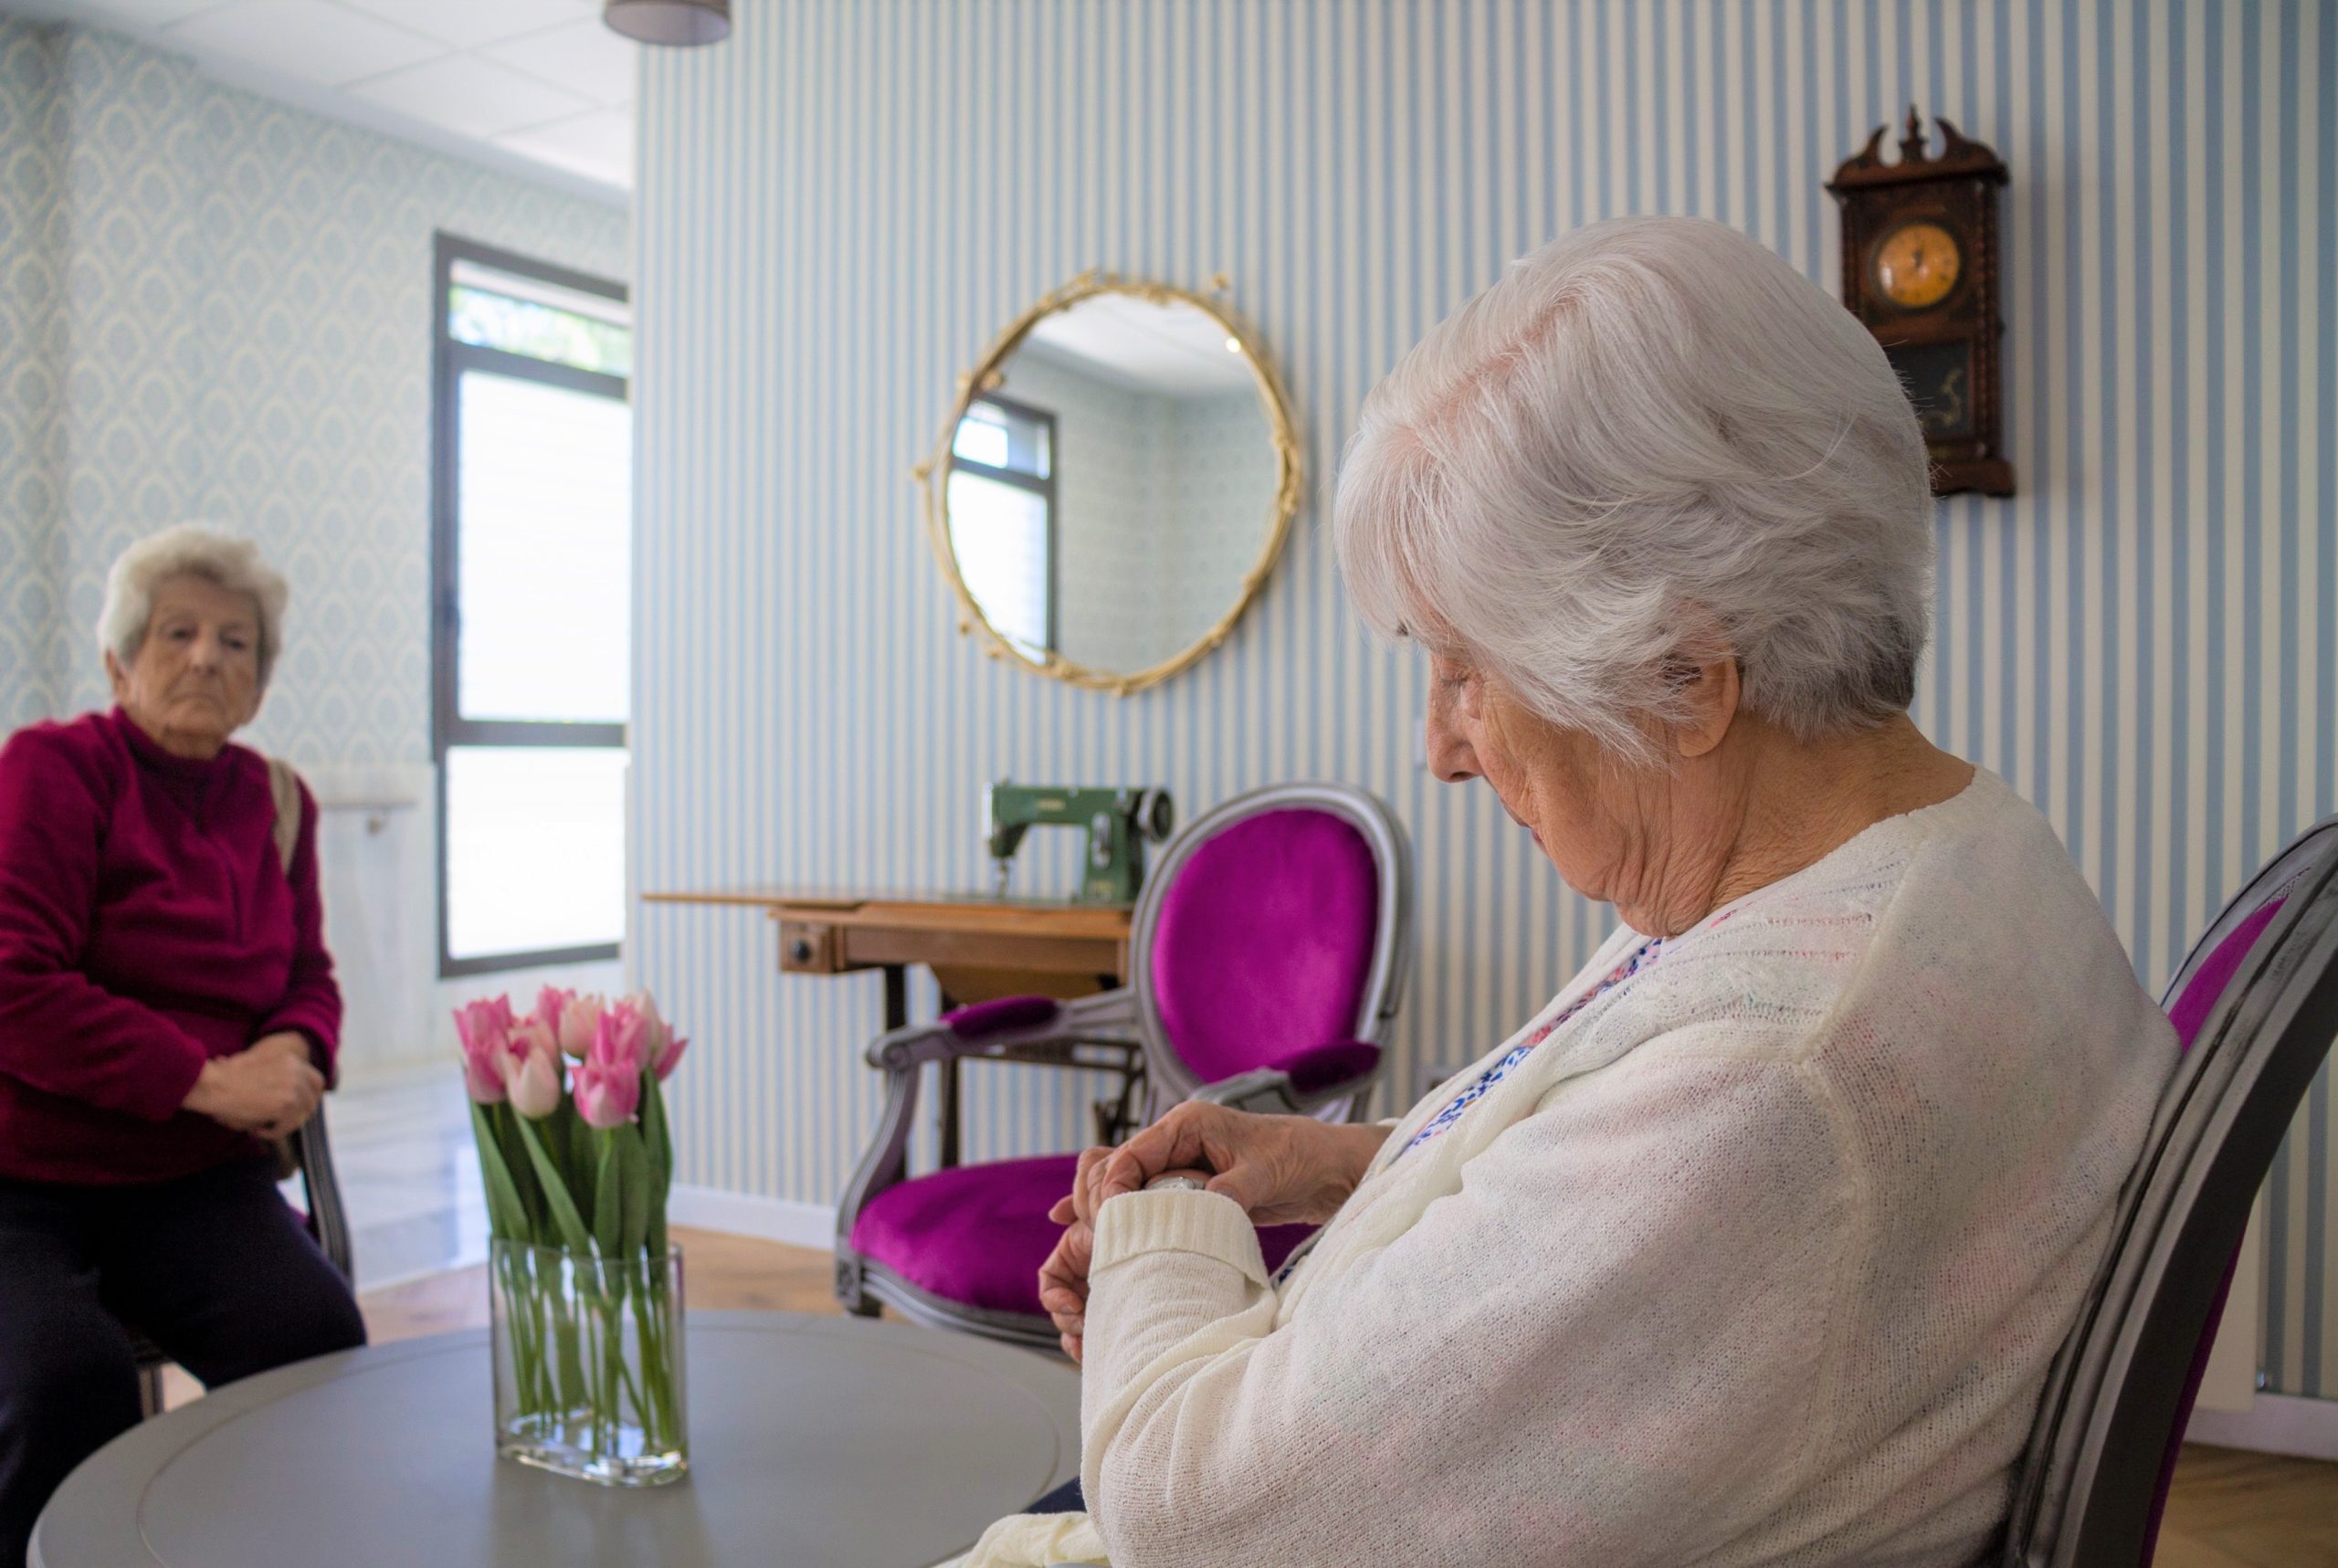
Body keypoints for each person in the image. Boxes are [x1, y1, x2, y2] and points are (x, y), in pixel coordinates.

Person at [999, 218, 2175, 1568]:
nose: (1436, 749)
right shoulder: (1941, 853)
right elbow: (1642, 1234)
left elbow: (1189, 1511)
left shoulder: (1775, 1079)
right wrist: (1335, 1162)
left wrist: (1165, 1235)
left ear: (1686, 678)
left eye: (1460, 669)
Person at [0, 525, 366, 1567]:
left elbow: (310, 976)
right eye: (179, 632)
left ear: (257, 686)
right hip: (24, 1176)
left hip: (192, 1179)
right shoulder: (52, 770)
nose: (208, 656)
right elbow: (14, 984)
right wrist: (207, 1080)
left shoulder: (278, 801)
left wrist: (293, 1051)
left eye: (237, 642)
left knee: (313, 1341)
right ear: (119, 663)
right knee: (65, 1383)